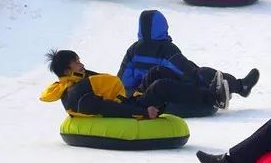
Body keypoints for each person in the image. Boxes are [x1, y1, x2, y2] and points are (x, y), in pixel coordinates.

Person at [117, 9, 260, 103]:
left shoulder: (134, 50)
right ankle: (240, 86)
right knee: (201, 73)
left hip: (136, 95)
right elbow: (187, 72)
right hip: (163, 95)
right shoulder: (166, 49)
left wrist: (133, 93)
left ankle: (227, 87)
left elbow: (123, 79)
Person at [40, 49, 229, 117]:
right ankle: (214, 97)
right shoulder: (74, 92)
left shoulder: (81, 78)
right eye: (76, 62)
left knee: (157, 71)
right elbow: (105, 108)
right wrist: (142, 111)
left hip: (129, 98)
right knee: (161, 85)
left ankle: (202, 91)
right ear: (66, 71)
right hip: (132, 107)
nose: (81, 64)